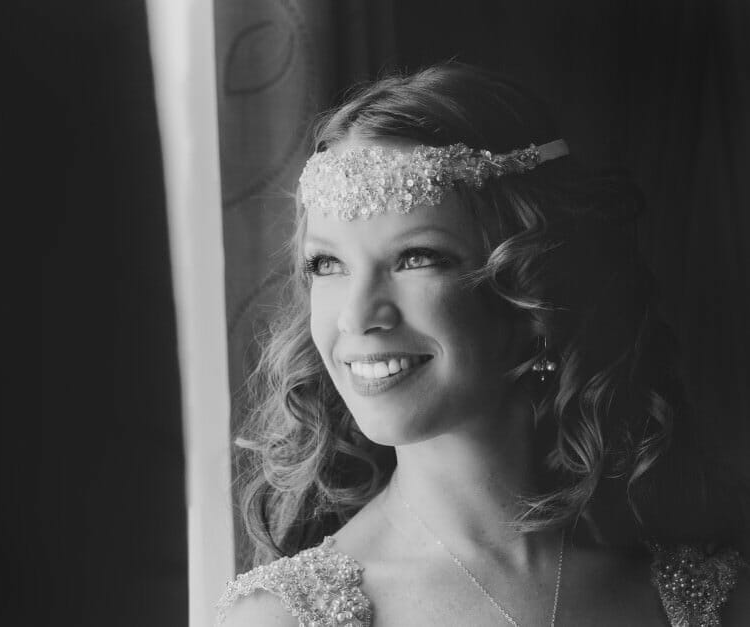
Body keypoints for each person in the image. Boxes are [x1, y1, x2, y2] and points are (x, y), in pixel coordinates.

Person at [217, 63, 749, 626]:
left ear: (534, 286)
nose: (355, 315)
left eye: (416, 257)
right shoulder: (280, 619)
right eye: (327, 264)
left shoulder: (706, 596)